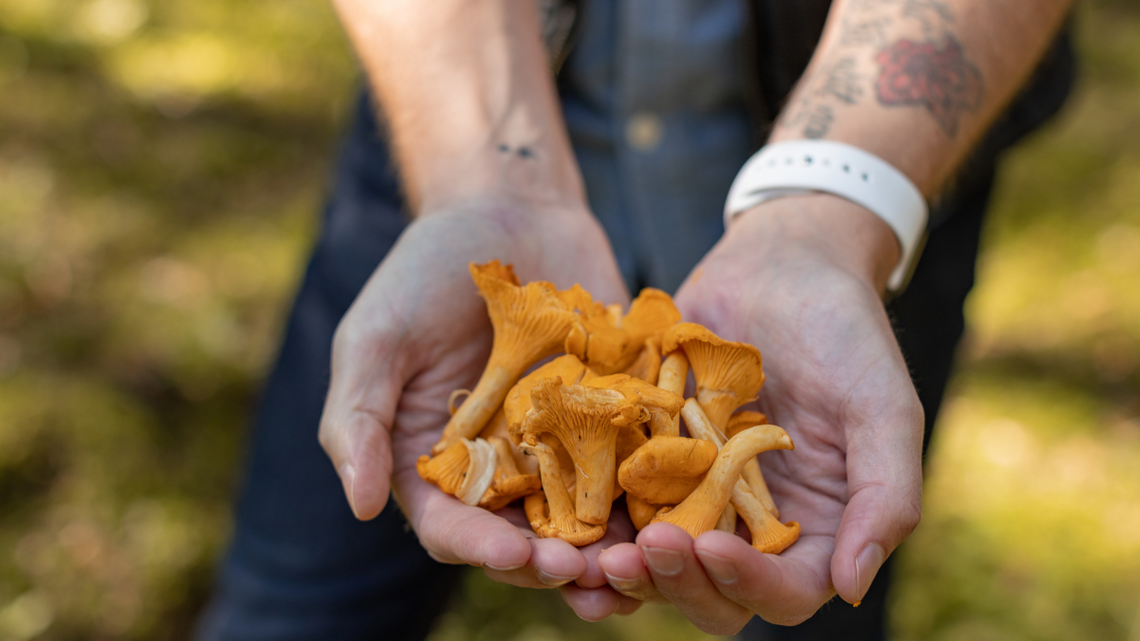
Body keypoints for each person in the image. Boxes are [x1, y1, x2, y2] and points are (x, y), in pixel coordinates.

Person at [195, 1, 1076, 638]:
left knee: (812, 583)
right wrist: (482, 177)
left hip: (872, 177)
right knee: (294, 605)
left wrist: (830, 214)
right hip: (455, 139)